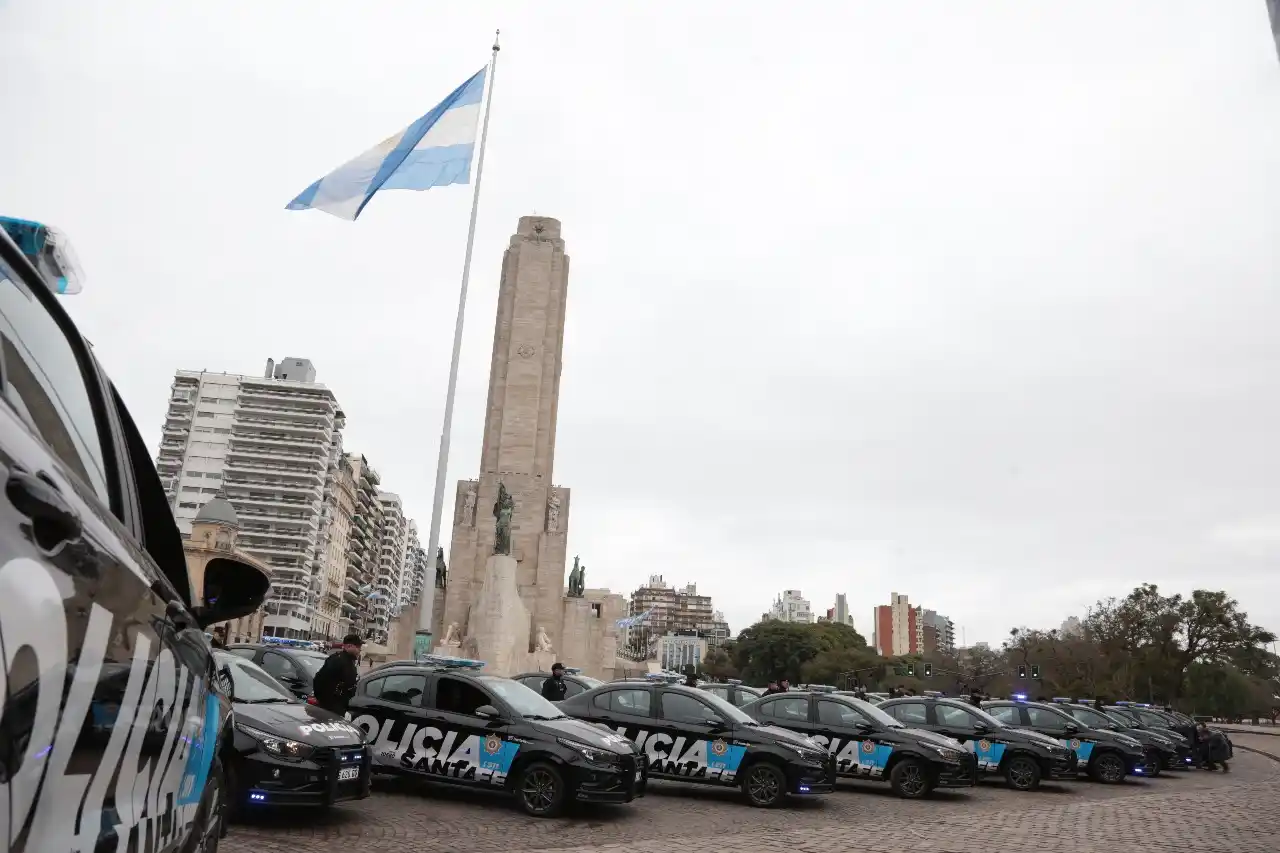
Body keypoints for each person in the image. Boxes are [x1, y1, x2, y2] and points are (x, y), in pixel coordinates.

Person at [312, 633, 362, 715]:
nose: (360, 650)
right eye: (358, 647)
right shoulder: (337, 661)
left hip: (341, 706)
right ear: (349, 646)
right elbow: (319, 681)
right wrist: (329, 703)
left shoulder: (350, 661)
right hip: (332, 708)